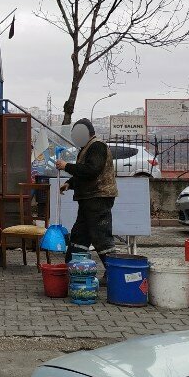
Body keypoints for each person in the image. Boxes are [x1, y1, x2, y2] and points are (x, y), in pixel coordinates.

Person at [56, 117, 118, 280]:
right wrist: (70, 183)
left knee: (101, 237)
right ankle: (72, 270)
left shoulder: (97, 146)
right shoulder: (86, 148)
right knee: (79, 236)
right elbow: (83, 172)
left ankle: (115, 274)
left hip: (98, 198)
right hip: (89, 199)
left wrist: (66, 166)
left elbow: (92, 170)